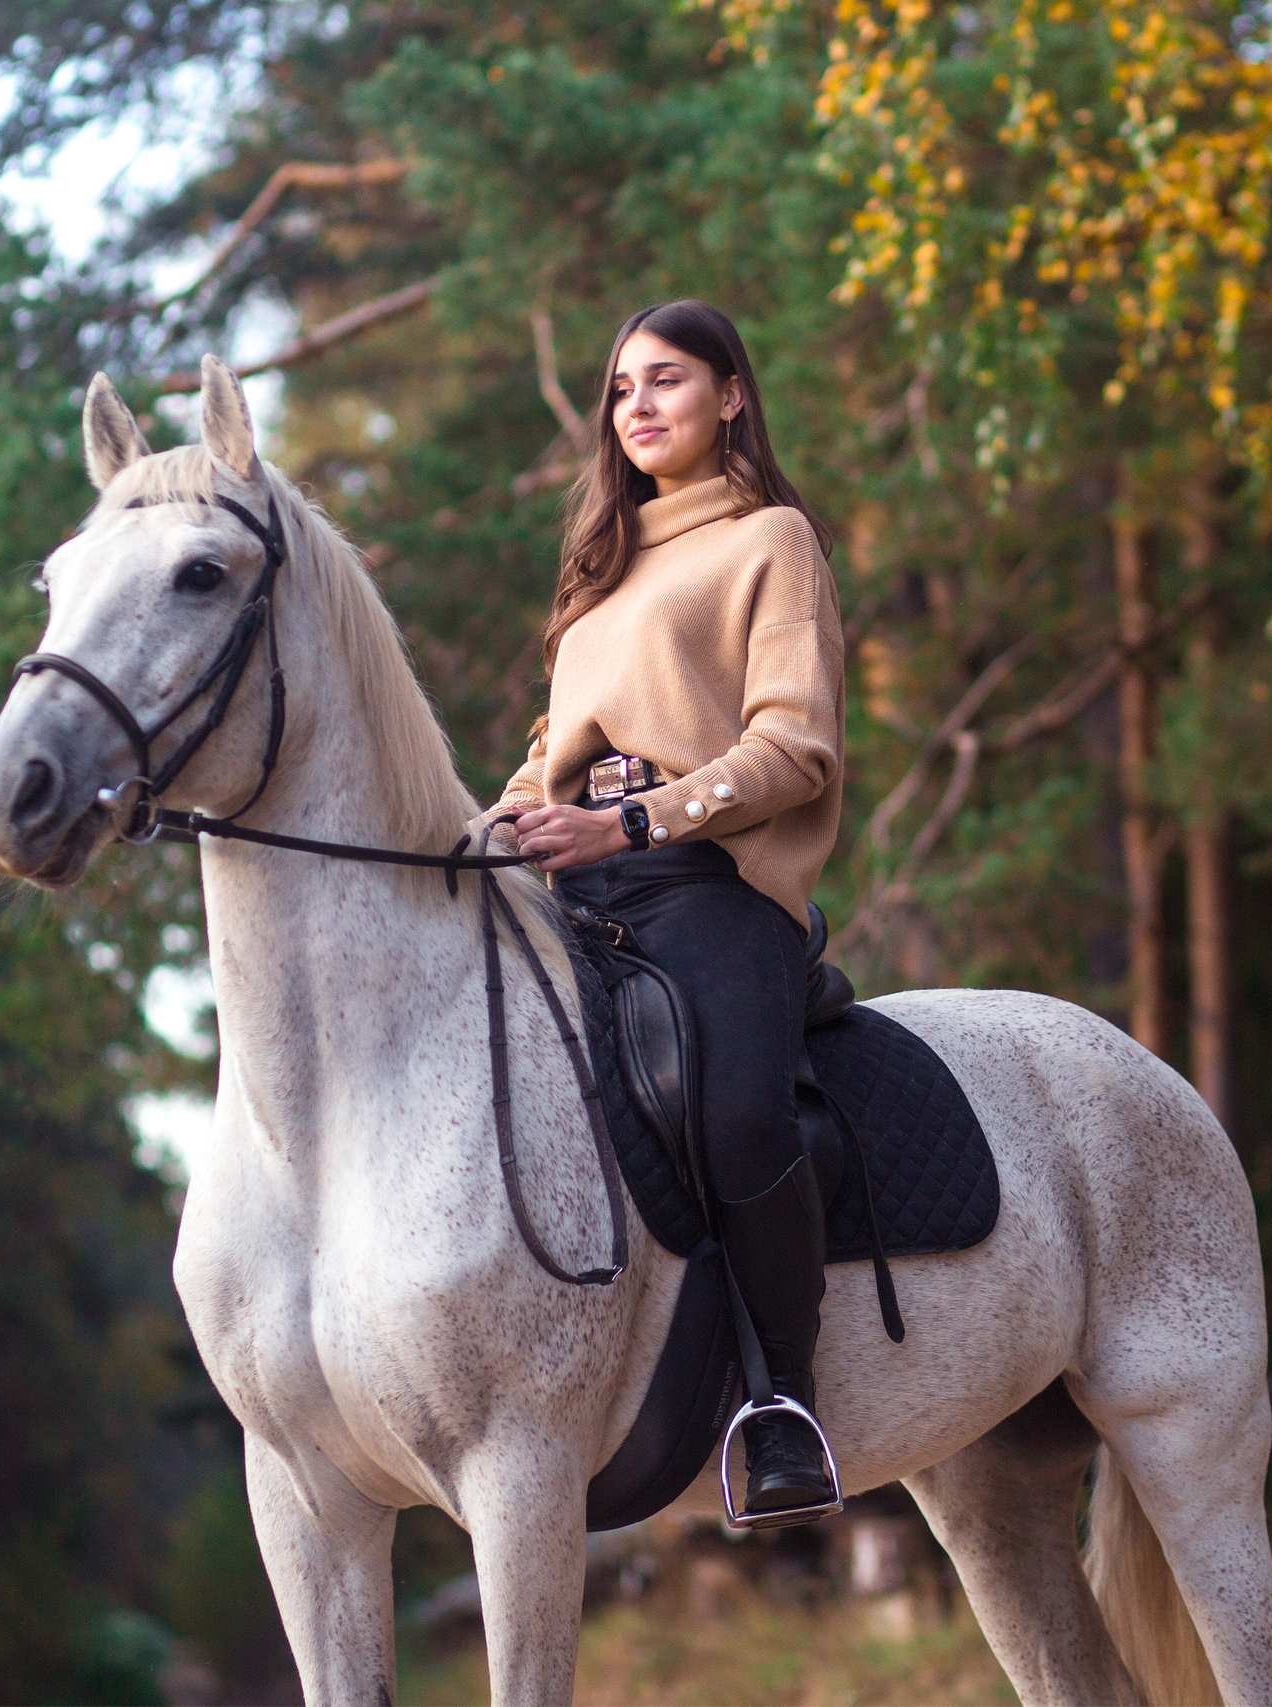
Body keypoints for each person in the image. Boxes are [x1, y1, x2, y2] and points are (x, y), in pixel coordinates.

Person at [481, 299, 844, 1518]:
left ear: (731, 395)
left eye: (667, 381)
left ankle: (781, 1402)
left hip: (711, 887)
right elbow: (546, 766)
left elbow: (793, 750)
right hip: (578, 883)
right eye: (621, 389)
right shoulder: (598, 572)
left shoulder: (771, 541)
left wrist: (628, 822)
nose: (636, 407)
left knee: (737, 1113)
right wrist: (480, 832)